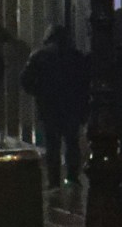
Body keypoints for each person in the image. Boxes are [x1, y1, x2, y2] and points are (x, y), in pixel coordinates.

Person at [27, 20, 89, 188]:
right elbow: (85, 83)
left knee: (52, 145)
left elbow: (25, 80)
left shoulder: (39, 56)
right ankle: (72, 176)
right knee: (71, 142)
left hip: (49, 107)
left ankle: (54, 180)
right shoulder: (76, 57)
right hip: (71, 107)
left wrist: (39, 91)